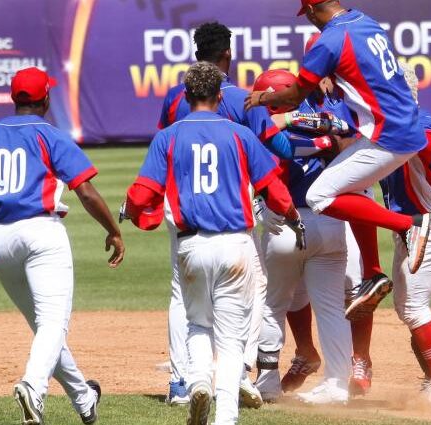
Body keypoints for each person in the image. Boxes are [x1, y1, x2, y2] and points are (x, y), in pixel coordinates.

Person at [124, 61, 303, 425]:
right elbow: (274, 190)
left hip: (191, 246)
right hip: (235, 244)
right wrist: (291, 215)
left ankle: (199, 380)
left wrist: (132, 211)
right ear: (220, 96)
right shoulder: (240, 134)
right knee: (233, 336)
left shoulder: (168, 136)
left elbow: (143, 193)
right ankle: (225, 417)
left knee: (197, 324)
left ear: (186, 96)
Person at [0, 67, 125, 425]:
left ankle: (84, 399)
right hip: (43, 235)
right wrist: (113, 230)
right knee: (52, 325)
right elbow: (86, 190)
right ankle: (33, 386)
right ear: (45, 99)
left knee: (45, 329)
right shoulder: (50, 135)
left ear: (15, 99)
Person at [245, 0, 431, 320]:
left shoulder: (330, 40)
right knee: (353, 186)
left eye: (306, 15)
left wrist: (262, 98)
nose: (308, 21)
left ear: (312, 10)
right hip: (404, 127)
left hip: (387, 135)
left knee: (319, 195)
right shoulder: (364, 21)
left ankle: (409, 226)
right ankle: (372, 272)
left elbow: (293, 96)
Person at [157, 21, 284, 407]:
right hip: (233, 205)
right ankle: (240, 370)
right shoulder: (244, 99)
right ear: (228, 53)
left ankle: (182, 382)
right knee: (253, 286)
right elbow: (279, 149)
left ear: (196, 55)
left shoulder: (175, 99)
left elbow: (166, 143)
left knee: (182, 294)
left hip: (181, 202)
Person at [348, 63, 431, 402]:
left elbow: (424, 144)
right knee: (407, 307)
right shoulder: (381, 128)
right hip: (409, 228)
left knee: (414, 308)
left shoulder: (421, 121)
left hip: (429, 224)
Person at [253, 68, 357, 405]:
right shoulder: (328, 118)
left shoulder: (262, 131)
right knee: (330, 308)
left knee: (273, 305)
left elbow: (271, 156)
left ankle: (267, 382)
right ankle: (338, 385)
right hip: (329, 222)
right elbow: (346, 137)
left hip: (285, 224)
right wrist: (324, 139)